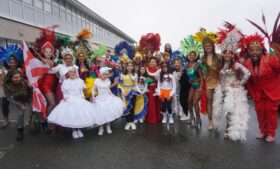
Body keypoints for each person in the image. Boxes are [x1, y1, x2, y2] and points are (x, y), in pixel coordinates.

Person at [213, 23, 250, 140]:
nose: (228, 55)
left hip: (232, 91)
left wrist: (239, 83)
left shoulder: (236, 64)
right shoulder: (220, 65)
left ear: (232, 55)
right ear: (223, 54)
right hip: (221, 90)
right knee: (222, 110)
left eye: (230, 53)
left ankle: (227, 130)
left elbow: (248, 74)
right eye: (226, 53)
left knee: (230, 111)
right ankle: (223, 126)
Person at [48, 66, 97, 139]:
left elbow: (81, 90)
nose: (73, 73)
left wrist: (82, 95)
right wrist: (65, 96)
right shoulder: (66, 81)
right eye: (71, 72)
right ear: (68, 73)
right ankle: (74, 130)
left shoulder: (79, 81)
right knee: (72, 115)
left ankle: (79, 129)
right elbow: (64, 91)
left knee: (79, 114)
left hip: (78, 98)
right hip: (70, 98)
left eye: (74, 72)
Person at [194, 28, 220, 130]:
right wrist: (198, 69)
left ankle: (218, 121)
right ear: (204, 47)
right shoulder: (202, 58)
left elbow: (224, 67)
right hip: (208, 82)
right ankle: (210, 121)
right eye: (206, 46)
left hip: (218, 82)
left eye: (209, 45)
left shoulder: (218, 56)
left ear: (212, 46)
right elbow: (199, 71)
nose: (208, 47)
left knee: (218, 102)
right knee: (209, 101)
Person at [92, 67, 124, 135]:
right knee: (101, 113)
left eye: (106, 74)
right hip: (100, 98)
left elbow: (108, 89)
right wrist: (93, 97)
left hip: (108, 98)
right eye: (104, 74)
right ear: (100, 74)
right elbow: (93, 89)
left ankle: (108, 126)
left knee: (108, 113)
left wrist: (112, 95)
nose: (105, 76)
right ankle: (101, 127)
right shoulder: (97, 81)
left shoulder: (108, 80)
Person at [4, 69, 31, 140]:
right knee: (21, 113)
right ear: (10, 78)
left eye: (19, 77)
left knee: (35, 109)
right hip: (18, 100)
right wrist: (20, 104)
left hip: (28, 97)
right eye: (15, 78)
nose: (18, 79)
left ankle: (43, 124)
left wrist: (30, 87)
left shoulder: (23, 81)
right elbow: (9, 98)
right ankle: (20, 130)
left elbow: (31, 90)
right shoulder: (7, 85)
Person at [0, 44, 23, 129]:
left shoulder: (19, 70)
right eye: (11, 62)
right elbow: (1, 81)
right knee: (4, 105)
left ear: (17, 62)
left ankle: (20, 122)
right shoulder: (4, 70)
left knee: (20, 107)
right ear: (8, 62)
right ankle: (6, 120)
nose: (12, 64)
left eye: (14, 62)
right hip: (7, 92)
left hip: (18, 91)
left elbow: (21, 80)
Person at [119, 62, 147, 130]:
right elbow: (120, 84)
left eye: (131, 66)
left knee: (132, 107)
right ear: (126, 67)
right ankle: (128, 122)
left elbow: (136, 85)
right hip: (125, 92)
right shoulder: (122, 74)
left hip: (133, 92)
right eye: (128, 66)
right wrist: (122, 91)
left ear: (133, 67)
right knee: (126, 107)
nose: (130, 67)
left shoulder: (135, 75)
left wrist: (140, 92)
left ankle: (132, 122)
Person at [146, 57, 162, 124]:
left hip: (156, 88)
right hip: (149, 88)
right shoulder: (146, 69)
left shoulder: (159, 70)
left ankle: (158, 118)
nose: (152, 63)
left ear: (156, 63)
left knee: (157, 103)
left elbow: (160, 81)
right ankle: (151, 119)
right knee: (150, 103)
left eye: (153, 62)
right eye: (151, 62)